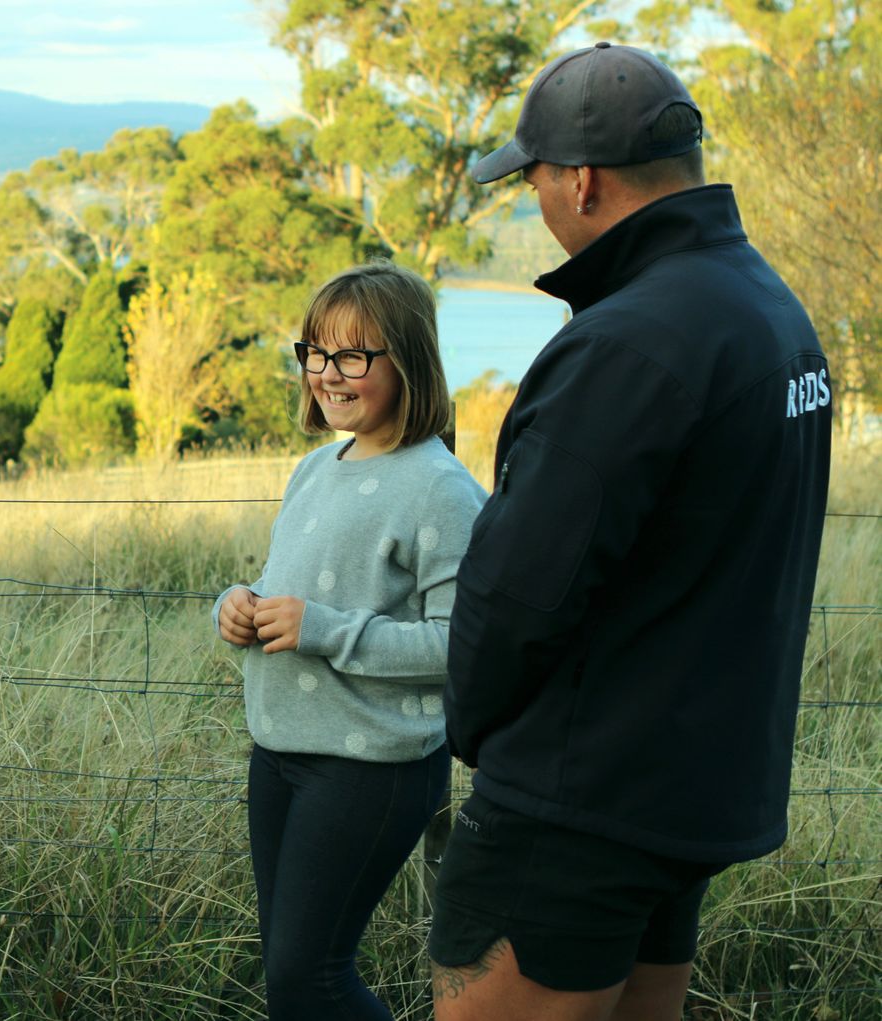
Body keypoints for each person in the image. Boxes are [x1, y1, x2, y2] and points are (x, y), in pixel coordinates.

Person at [429, 42, 832, 1021]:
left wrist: (475, 734)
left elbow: (518, 590)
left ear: (582, 181)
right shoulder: (770, 312)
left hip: (576, 802)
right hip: (690, 791)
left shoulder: (626, 343)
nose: (537, 204)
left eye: (533, 182)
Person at [213, 262, 486, 1021]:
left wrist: (324, 630)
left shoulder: (440, 487)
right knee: (289, 981)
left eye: (355, 356)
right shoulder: (313, 468)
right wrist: (235, 608)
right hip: (283, 754)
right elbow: (286, 593)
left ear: (409, 360)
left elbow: (461, 644)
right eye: (316, 352)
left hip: (371, 766)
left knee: (312, 979)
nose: (329, 374)